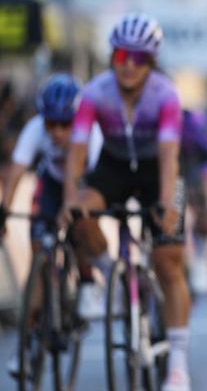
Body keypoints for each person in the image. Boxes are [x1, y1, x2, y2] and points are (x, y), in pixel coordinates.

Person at [63, 13, 193, 391]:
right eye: (121, 56)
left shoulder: (165, 94)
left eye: (138, 58)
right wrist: (70, 198)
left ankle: (178, 366)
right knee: (79, 215)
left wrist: (167, 203)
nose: (128, 66)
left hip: (158, 168)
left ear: (150, 61)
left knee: (169, 261)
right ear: (112, 58)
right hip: (115, 165)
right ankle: (114, 278)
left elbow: (169, 156)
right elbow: (77, 149)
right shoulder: (95, 92)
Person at [0, 74, 103, 376]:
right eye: (51, 124)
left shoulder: (90, 131)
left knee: (81, 226)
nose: (57, 132)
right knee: (37, 253)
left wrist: (77, 207)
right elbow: (17, 170)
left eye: (65, 124)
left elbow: (96, 181)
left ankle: (86, 279)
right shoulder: (34, 129)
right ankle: (31, 341)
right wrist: (4, 209)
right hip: (51, 185)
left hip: (84, 182)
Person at [180, 108, 207, 294]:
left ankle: (202, 257)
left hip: (188, 173)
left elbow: (206, 152)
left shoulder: (188, 119)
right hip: (155, 175)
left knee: (200, 210)